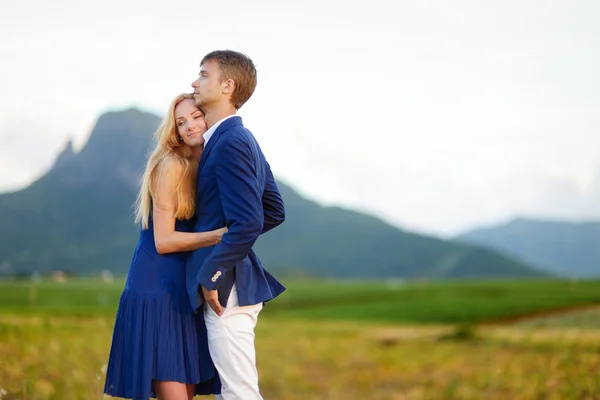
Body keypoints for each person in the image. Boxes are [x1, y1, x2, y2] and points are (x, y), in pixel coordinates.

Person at [104, 93, 222, 400]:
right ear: (175, 129)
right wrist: (220, 235)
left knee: (188, 393)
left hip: (183, 291)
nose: (190, 127)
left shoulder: (207, 163)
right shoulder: (171, 165)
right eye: (182, 122)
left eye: (197, 117)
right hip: (154, 289)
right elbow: (164, 240)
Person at [187, 50, 286, 400]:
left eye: (203, 74)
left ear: (227, 85)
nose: (194, 82)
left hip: (226, 288)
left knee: (238, 392)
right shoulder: (239, 139)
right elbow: (273, 210)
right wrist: (233, 237)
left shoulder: (230, 142)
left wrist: (213, 271)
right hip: (233, 282)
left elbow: (250, 221)